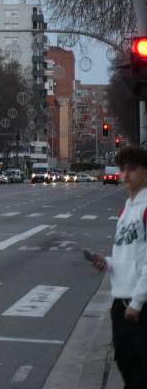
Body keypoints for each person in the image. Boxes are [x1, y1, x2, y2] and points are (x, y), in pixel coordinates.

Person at [89, 146, 147, 389]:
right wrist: (108, 262)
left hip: (140, 306)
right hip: (120, 302)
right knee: (125, 363)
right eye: (123, 169)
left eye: (131, 169)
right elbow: (128, 252)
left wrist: (137, 302)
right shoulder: (125, 209)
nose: (125, 175)